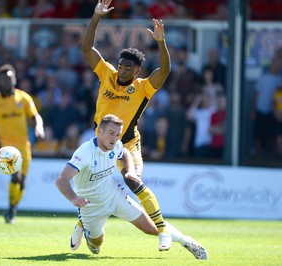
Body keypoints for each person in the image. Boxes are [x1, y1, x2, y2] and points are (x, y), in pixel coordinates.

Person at [73, 0, 172, 252]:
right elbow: (87, 48)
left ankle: (163, 232)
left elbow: (165, 70)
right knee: (92, 183)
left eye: (128, 68)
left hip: (127, 143)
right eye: (120, 65)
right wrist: (96, 17)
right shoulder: (106, 73)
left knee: (133, 180)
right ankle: (82, 222)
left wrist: (161, 42)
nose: (122, 70)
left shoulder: (143, 87)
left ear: (137, 71)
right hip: (99, 144)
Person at [56, 114, 208, 259]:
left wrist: (130, 171)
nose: (115, 138)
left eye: (117, 134)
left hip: (114, 195)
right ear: (100, 131)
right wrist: (74, 198)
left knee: (151, 228)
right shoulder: (85, 152)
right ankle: (82, 224)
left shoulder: (116, 145)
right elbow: (61, 180)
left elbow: (125, 154)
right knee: (96, 245)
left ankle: (187, 242)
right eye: (111, 133)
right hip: (90, 206)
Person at [0, 63, 45, 224]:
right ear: (0, 81)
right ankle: (11, 210)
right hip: (6, 146)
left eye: (9, 78)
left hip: (24, 145)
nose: (7, 82)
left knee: (22, 182)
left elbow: (35, 116)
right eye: (4, 79)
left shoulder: (23, 98)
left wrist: (39, 128)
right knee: (15, 176)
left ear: (15, 80)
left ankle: (12, 209)